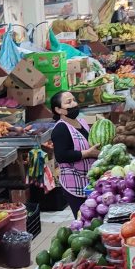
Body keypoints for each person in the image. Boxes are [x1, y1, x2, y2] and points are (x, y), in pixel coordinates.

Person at [47, 90, 100, 218]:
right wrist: (88, 153)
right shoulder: (60, 129)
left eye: (74, 100)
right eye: (68, 102)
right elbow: (61, 156)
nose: (74, 104)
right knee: (83, 218)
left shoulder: (81, 122)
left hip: (88, 180)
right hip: (74, 183)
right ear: (58, 110)